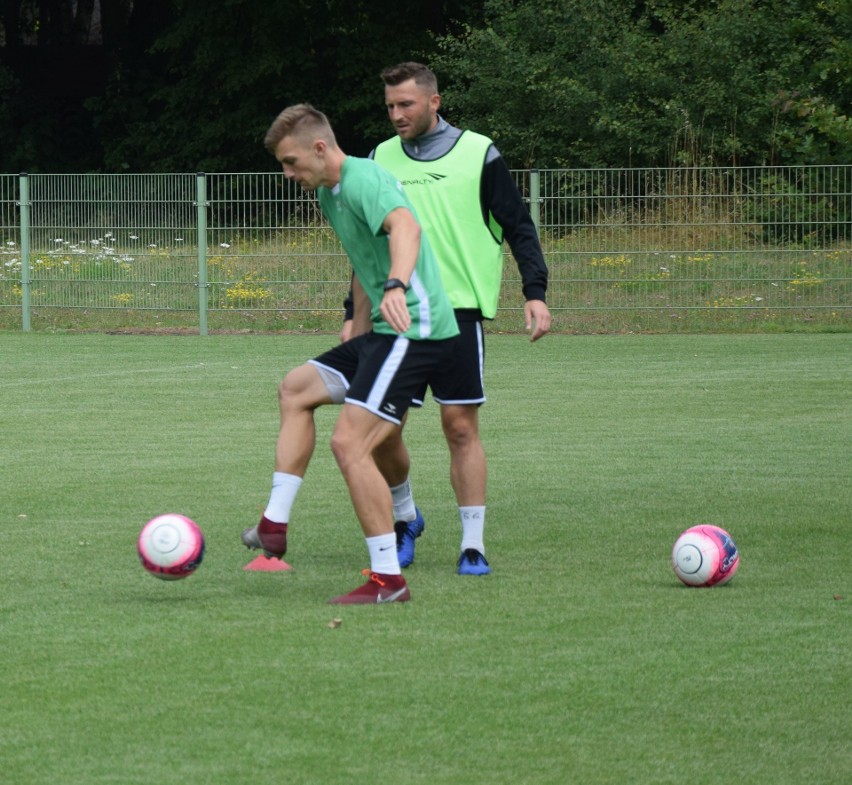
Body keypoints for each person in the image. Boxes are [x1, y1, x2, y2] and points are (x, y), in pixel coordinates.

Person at [242, 103, 459, 604]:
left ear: (321, 149)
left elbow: (406, 229)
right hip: (383, 333)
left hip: (417, 332)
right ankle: (274, 525)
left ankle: (388, 581)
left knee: (350, 445)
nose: (288, 173)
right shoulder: (329, 193)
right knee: (296, 388)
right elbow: (364, 259)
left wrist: (398, 286)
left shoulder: (364, 179)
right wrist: (358, 330)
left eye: (291, 162)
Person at [341, 62, 551, 575]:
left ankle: (472, 545)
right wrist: (354, 315)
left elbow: (518, 225)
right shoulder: (378, 160)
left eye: (406, 104)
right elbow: (365, 244)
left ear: (435, 101)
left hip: (458, 313)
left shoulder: (479, 152)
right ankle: (405, 516)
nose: (396, 115)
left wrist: (535, 292)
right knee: (383, 429)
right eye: (390, 106)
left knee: (459, 427)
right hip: (398, 315)